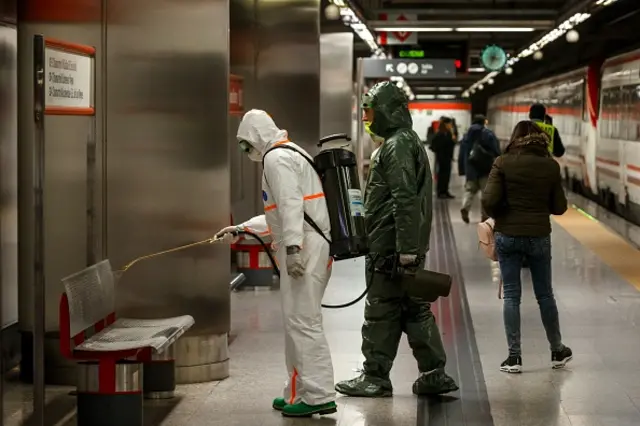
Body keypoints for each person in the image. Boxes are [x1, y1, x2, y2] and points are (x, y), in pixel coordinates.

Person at [335, 81, 458, 398]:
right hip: (402, 247)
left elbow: (403, 200)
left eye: (370, 111)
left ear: (387, 111)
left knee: (381, 310)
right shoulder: (405, 141)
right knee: (414, 309)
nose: (367, 119)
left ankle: (375, 376)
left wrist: (403, 251)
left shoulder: (395, 146)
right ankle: (434, 373)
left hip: (389, 249)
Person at [215, 109, 336, 418]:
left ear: (257, 135)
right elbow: (278, 214)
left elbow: (292, 206)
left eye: (246, 143)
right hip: (309, 245)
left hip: (305, 249)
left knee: (303, 322)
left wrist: (294, 247)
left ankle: (318, 394)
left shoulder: (276, 158)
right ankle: (299, 391)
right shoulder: (288, 152)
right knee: (298, 321)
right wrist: (242, 229)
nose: (246, 150)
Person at [481, 120, 573, 374]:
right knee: (545, 294)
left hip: (508, 235)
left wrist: (504, 213)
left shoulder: (502, 162)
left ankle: (514, 358)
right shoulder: (550, 166)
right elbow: (560, 207)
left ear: (514, 138)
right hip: (539, 236)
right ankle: (556, 350)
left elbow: (488, 200)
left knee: (511, 295)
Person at [458, 114, 501, 224]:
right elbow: (496, 150)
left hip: (471, 168)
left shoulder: (466, 136)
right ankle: (484, 215)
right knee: (485, 193)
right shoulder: (488, 134)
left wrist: (462, 169)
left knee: (469, 190)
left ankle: (465, 207)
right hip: (485, 168)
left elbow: (462, 154)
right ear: (483, 122)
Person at [430, 116, 456, 199]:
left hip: (448, 157)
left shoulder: (448, 133)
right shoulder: (439, 133)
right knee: (441, 175)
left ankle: (445, 191)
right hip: (441, 158)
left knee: (447, 175)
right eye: (449, 124)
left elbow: (451, 144)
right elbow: (433, 145)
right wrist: (439, 152)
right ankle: (440, 192)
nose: (451, 125)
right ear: (445, 124)